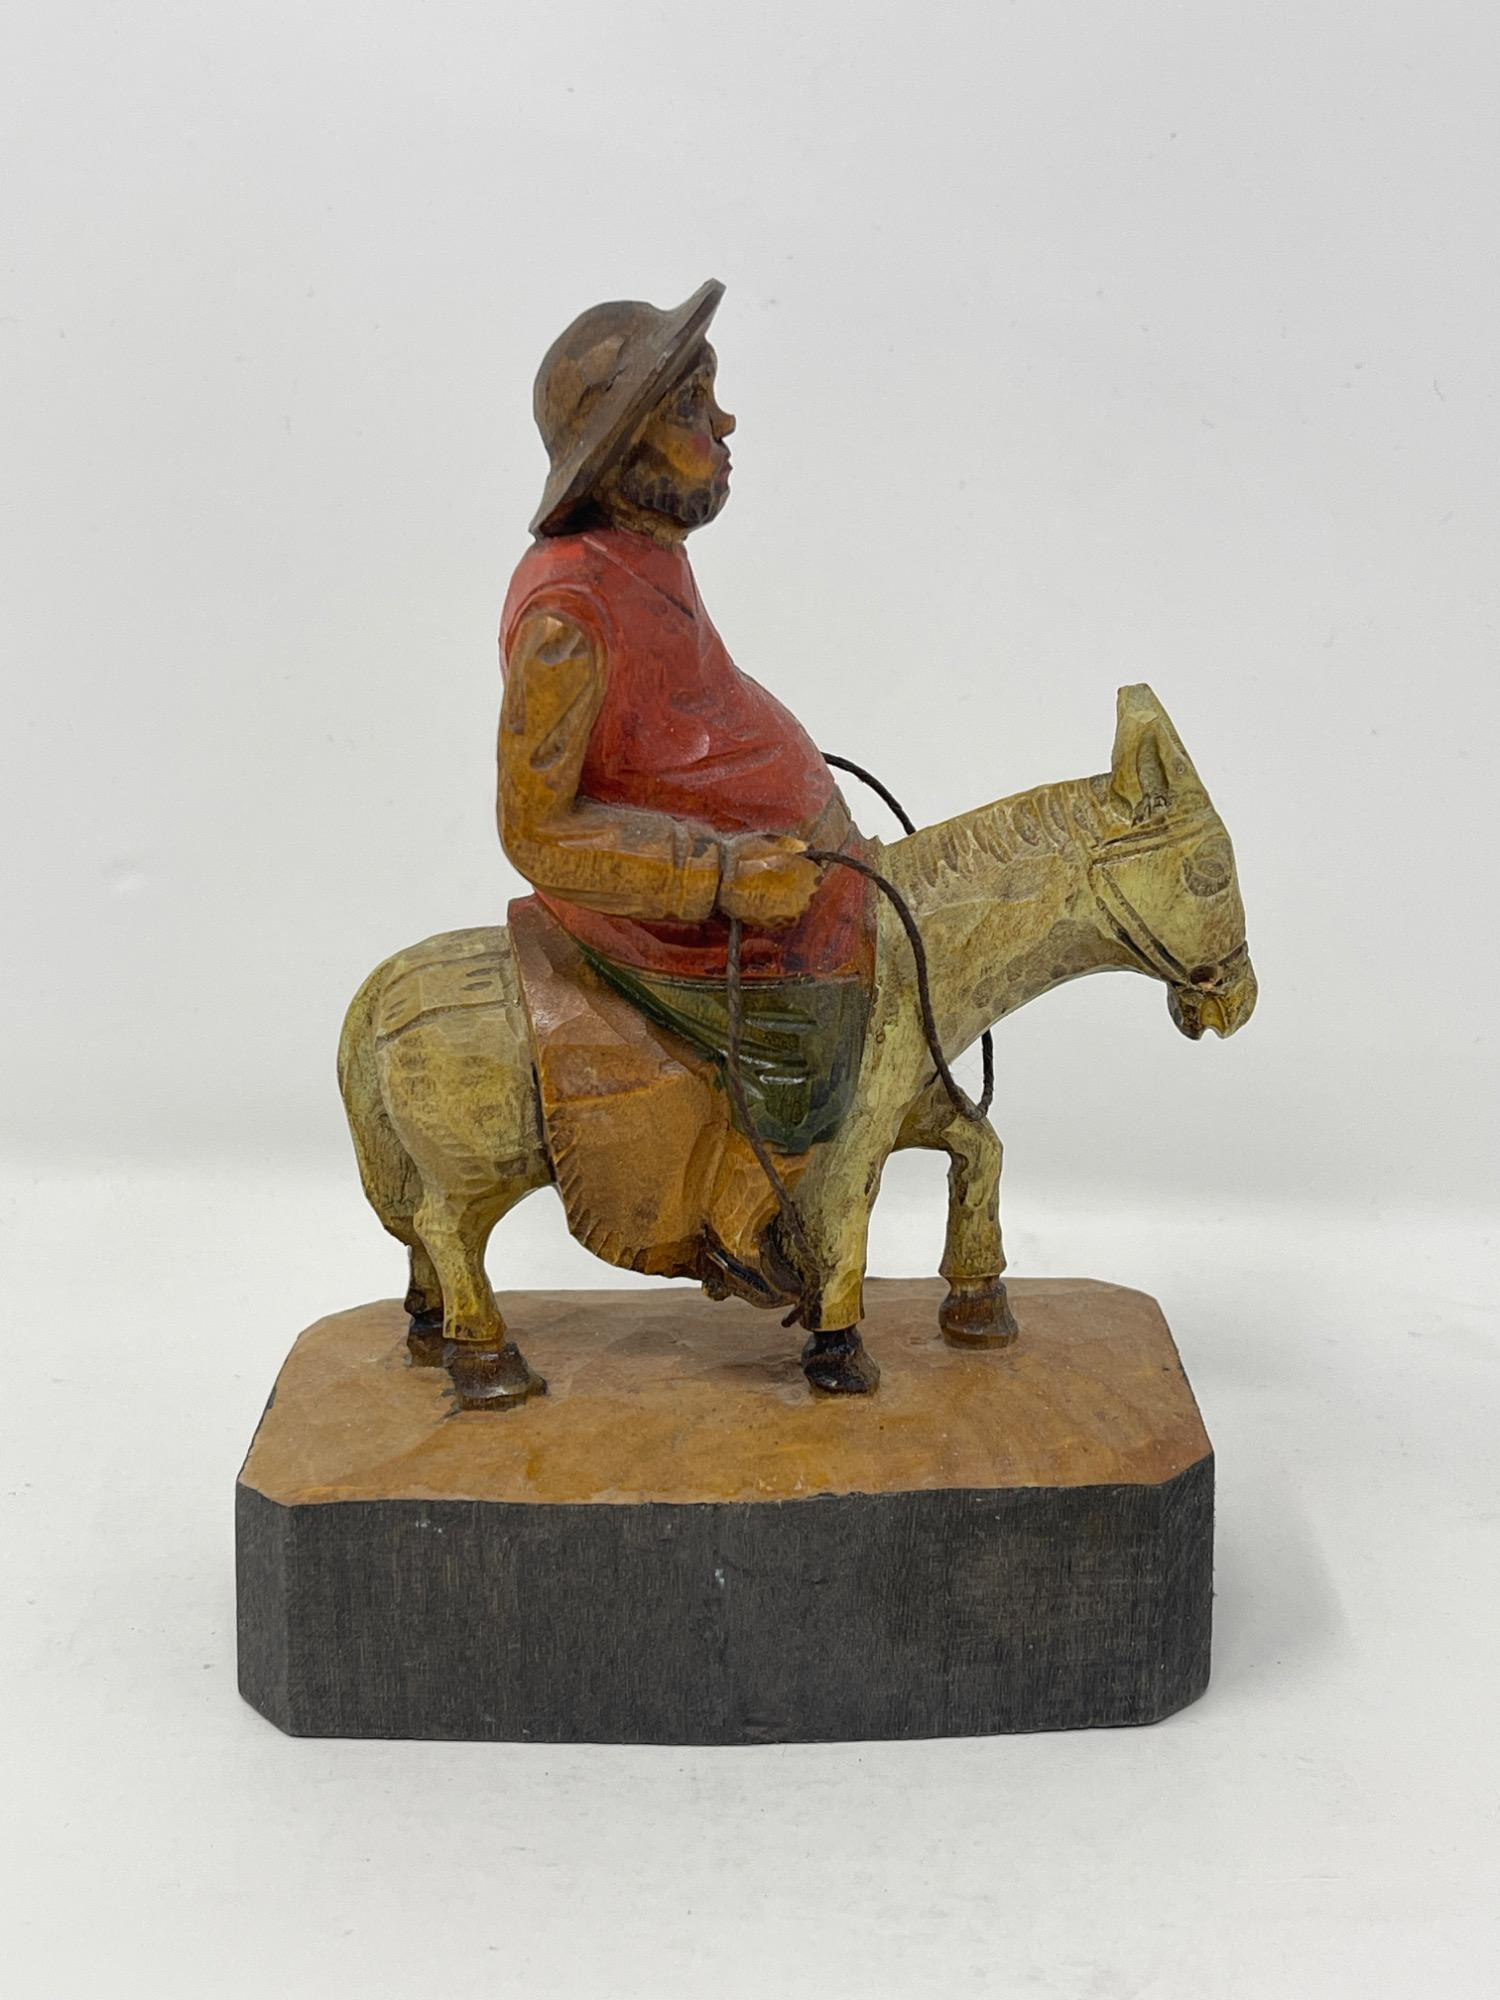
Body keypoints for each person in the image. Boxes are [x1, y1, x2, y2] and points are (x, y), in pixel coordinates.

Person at [497, 280, 872, 1158]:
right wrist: (720, 877)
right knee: (812, 1076)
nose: (725, 423)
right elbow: (534, 829)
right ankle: (751, 1215)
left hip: (795, 882)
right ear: (622, 453)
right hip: (686, 932)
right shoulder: (565, 619)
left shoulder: (647, 552)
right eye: (692, 406)